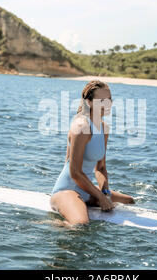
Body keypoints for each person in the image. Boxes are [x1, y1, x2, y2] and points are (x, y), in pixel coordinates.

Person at [50, 80, 135, 225]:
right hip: (68, 189)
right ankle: (49, 224)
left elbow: (100, 168)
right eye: (101, 101)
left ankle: (91, 200)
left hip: (87, 190)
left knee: (129, 201)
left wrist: (105, 192)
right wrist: (100, 198)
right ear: (89, 102)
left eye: (109, 100)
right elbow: (75, 173)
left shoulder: (104, 128)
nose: (107, 104)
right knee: (81, 224)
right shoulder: (81, 126)